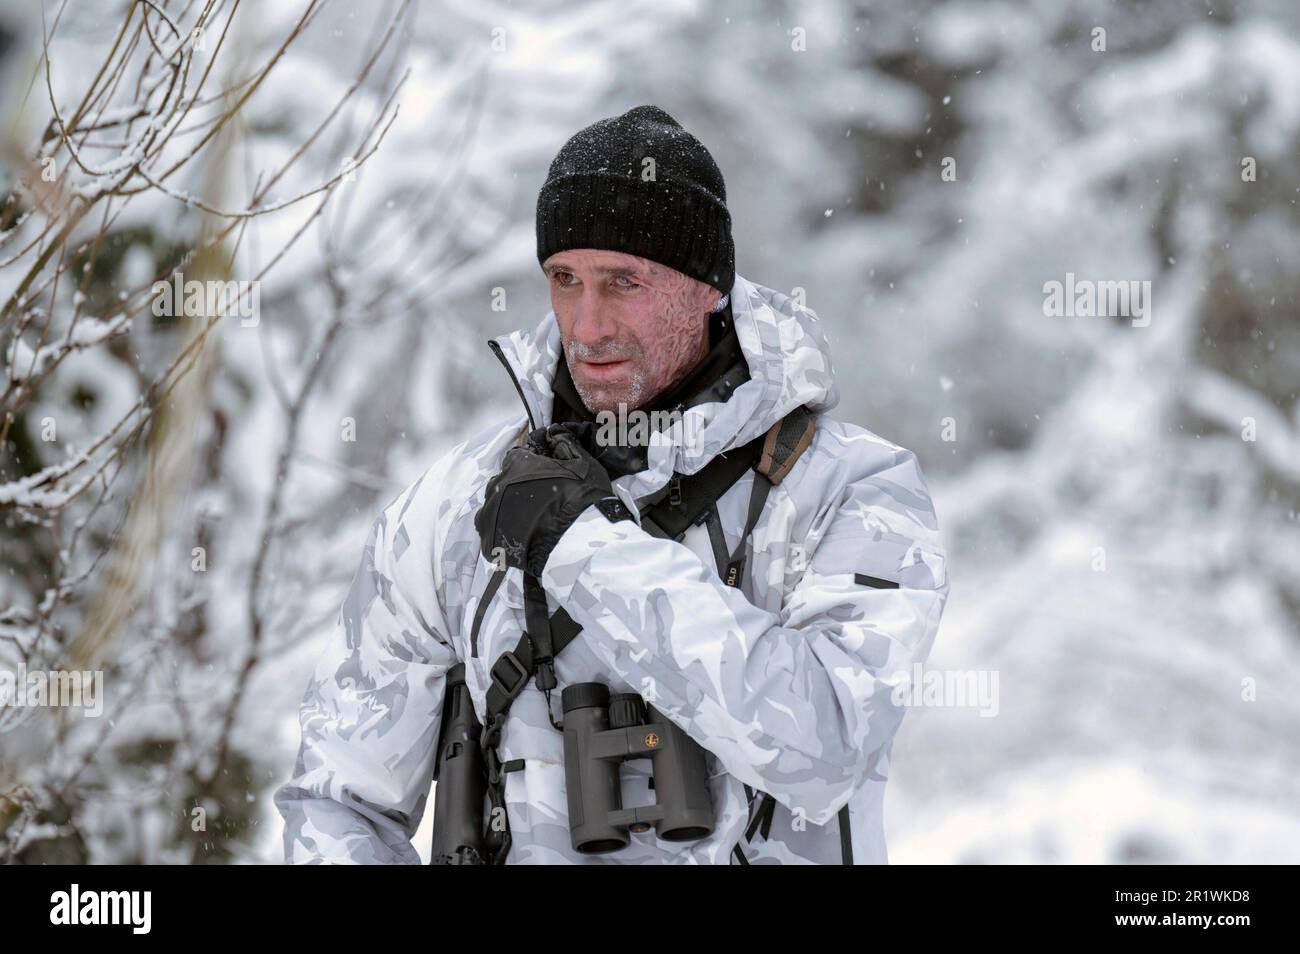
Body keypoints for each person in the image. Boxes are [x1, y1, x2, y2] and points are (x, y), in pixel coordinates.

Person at [274, 105, 948, 864]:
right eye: (564, 279)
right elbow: (337, 803)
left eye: (622, 282)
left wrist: (582, 547)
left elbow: (827, 745)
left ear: (709, 289)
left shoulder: (850, 489)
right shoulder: (454, 507)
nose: (587, 327)